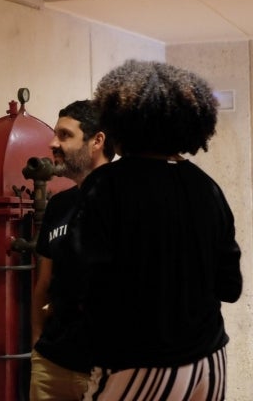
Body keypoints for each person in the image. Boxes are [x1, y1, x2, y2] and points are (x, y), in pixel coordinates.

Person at [76, 60, 242, 400]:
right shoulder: (207, 188)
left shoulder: (106, 186)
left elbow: (89, 284)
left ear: (119, 122)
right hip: (210, 362)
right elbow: (230, 287)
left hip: (138, 363)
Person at [29, 100, 113, 401]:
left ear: (97, 140)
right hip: (52, 363)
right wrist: (38, 343)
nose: (53, 143)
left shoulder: (123, 199)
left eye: (64, 135)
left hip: (106, 367)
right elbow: (44, 283)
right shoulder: (59, 204)